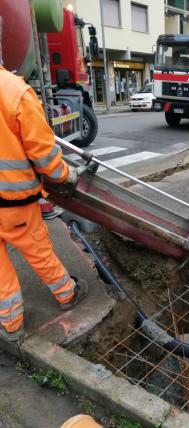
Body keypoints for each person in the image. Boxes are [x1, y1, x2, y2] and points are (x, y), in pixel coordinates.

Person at [0, 16, 87, 343]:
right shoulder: (15, 93)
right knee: (38, 251)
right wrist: (66, 176)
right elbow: (45, 155)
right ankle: (67, 294)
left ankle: (10, 324)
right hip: (15, 205)